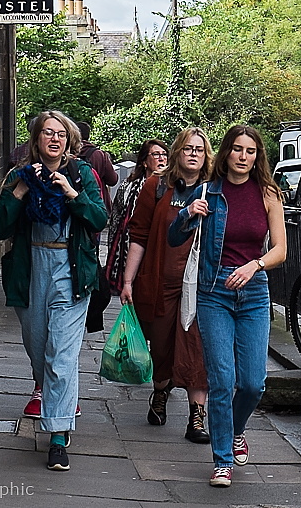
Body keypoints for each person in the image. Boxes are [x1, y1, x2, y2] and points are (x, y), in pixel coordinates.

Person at [168, 125, 287, 488]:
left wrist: (254, 266)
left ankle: (235, 429)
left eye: (250, 151)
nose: (243, 157)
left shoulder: (268, 193)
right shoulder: (208, 191)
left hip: (254, 291)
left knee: (252, 383)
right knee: (222, 380)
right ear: (226, 153)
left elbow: (280, 250)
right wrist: (188, 212)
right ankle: (222, 461)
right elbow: (174, 237)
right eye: (237, 149)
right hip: (214, 292)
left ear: (258, 156)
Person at [0, 110, 107, 472]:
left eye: (60, 134)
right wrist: (22, 191)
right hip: (31, 270)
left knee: (62, 356)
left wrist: (72, 194)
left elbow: (99, 218)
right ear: (36, 140)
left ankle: (57, 435)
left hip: (71, 273)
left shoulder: (82, 174)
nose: (54, 139)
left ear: (69, 140)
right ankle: (57, 399)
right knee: (39, 349)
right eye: (47, 134)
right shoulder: (18, 176)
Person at [120, 128, 213, 445]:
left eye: (199, 150)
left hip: (201, 287)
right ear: (177, 152)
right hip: (159, 283)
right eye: (187, 148)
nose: (193, 154)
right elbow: (140, 236)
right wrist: (128, 280)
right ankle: (160, 391)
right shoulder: (156, 186)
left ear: (206, 155)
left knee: (196, 349)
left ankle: (197, 417)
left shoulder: (214, 189)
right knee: (161, 348)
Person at [104, 139, 169, 293]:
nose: (161, 158)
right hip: (129, 248)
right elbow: (116, 222)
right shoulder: (128, 187)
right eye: (156, 154)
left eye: (164, 154)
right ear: (145, 162)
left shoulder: (173, 188)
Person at [76, 121, 119, 213]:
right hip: (98, 204)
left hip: (75, 203)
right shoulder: (99, 155)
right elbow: (113, 180)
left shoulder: (67, 153)